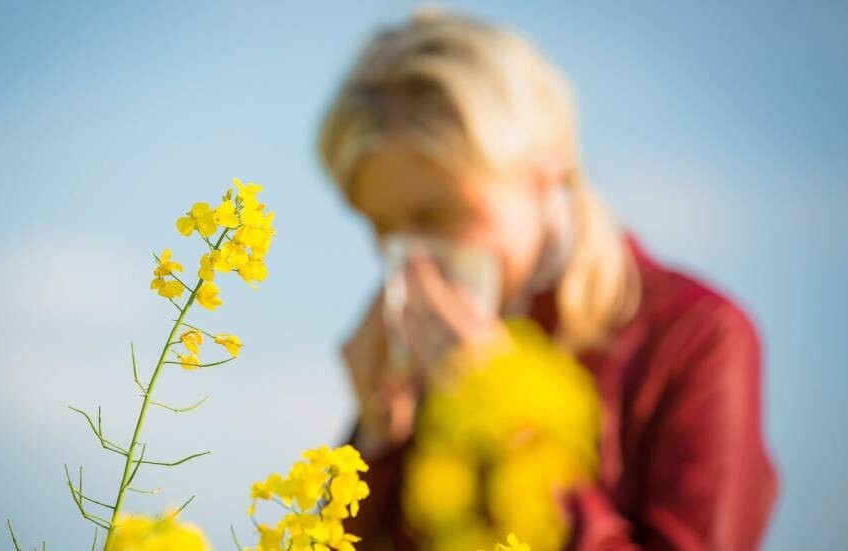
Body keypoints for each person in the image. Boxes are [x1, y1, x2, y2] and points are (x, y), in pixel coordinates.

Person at [316, 7, 778, 551]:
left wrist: (506, 423)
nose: (412, 260)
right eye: (382, 226)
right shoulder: (425, 353)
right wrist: (375, 439)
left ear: (545, 171)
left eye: (434, 216)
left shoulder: (696, 337)